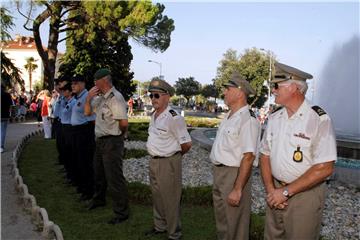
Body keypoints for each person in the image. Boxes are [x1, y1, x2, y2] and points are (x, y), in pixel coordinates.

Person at [259, 62, 337, 240]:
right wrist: (272, 189)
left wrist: (285, 192)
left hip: (304, 196)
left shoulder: (318, 119)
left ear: (294, 87)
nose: (273, 90)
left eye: (277, 86)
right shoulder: (274, 117)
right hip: (275, 191)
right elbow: (264, 155)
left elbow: (325, 167)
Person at [210, 72, 260, 240]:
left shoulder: (248, 119)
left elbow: (248, 156)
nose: (224, 92)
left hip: (234, 174)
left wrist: (238, 189)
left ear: (239, 92)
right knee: (223, 221)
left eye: (228, 89)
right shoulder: (230, 115)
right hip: (220, 173)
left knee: (235, 223)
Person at [145, 79, 192, 240]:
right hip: (154, 161)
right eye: (151, 95)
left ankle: (174, 233)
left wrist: (174, 156)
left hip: (168, 162)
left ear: (167, 96)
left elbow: (186, 144)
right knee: (157, 196)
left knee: (170, 199)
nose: (153, 99)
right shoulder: (154, 115)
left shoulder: (174, 118)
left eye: (156, 95)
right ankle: (160, 226)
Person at [84, 69, 130, 225]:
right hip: (101, 140)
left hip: (112, 141)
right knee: (99, 173)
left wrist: (119, 136)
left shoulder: (115, 98)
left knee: (114, 178)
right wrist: (88, 98)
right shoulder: (101, 98)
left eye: (96, 81)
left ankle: (121, 212)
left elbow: (123, 123)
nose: (94, 83)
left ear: (103, 80)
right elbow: (87, 113)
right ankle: (99, 200)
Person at [70, 75, 96, 201]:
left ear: (82, 84)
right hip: (77, 132)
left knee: (85, 162)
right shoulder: (78, 97)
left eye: (75, 83)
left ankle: (89, 191)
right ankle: (82, 187)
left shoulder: (88, 96)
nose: (72, 86)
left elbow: (92, 118)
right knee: (78, 161)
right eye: (72, 83)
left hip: (85, 131)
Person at [1, 85, 13, 153]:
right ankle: (1, 146)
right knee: (3, 131)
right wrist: (10, 114)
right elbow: (11, 105)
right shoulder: (7, 95)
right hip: (4, 115)